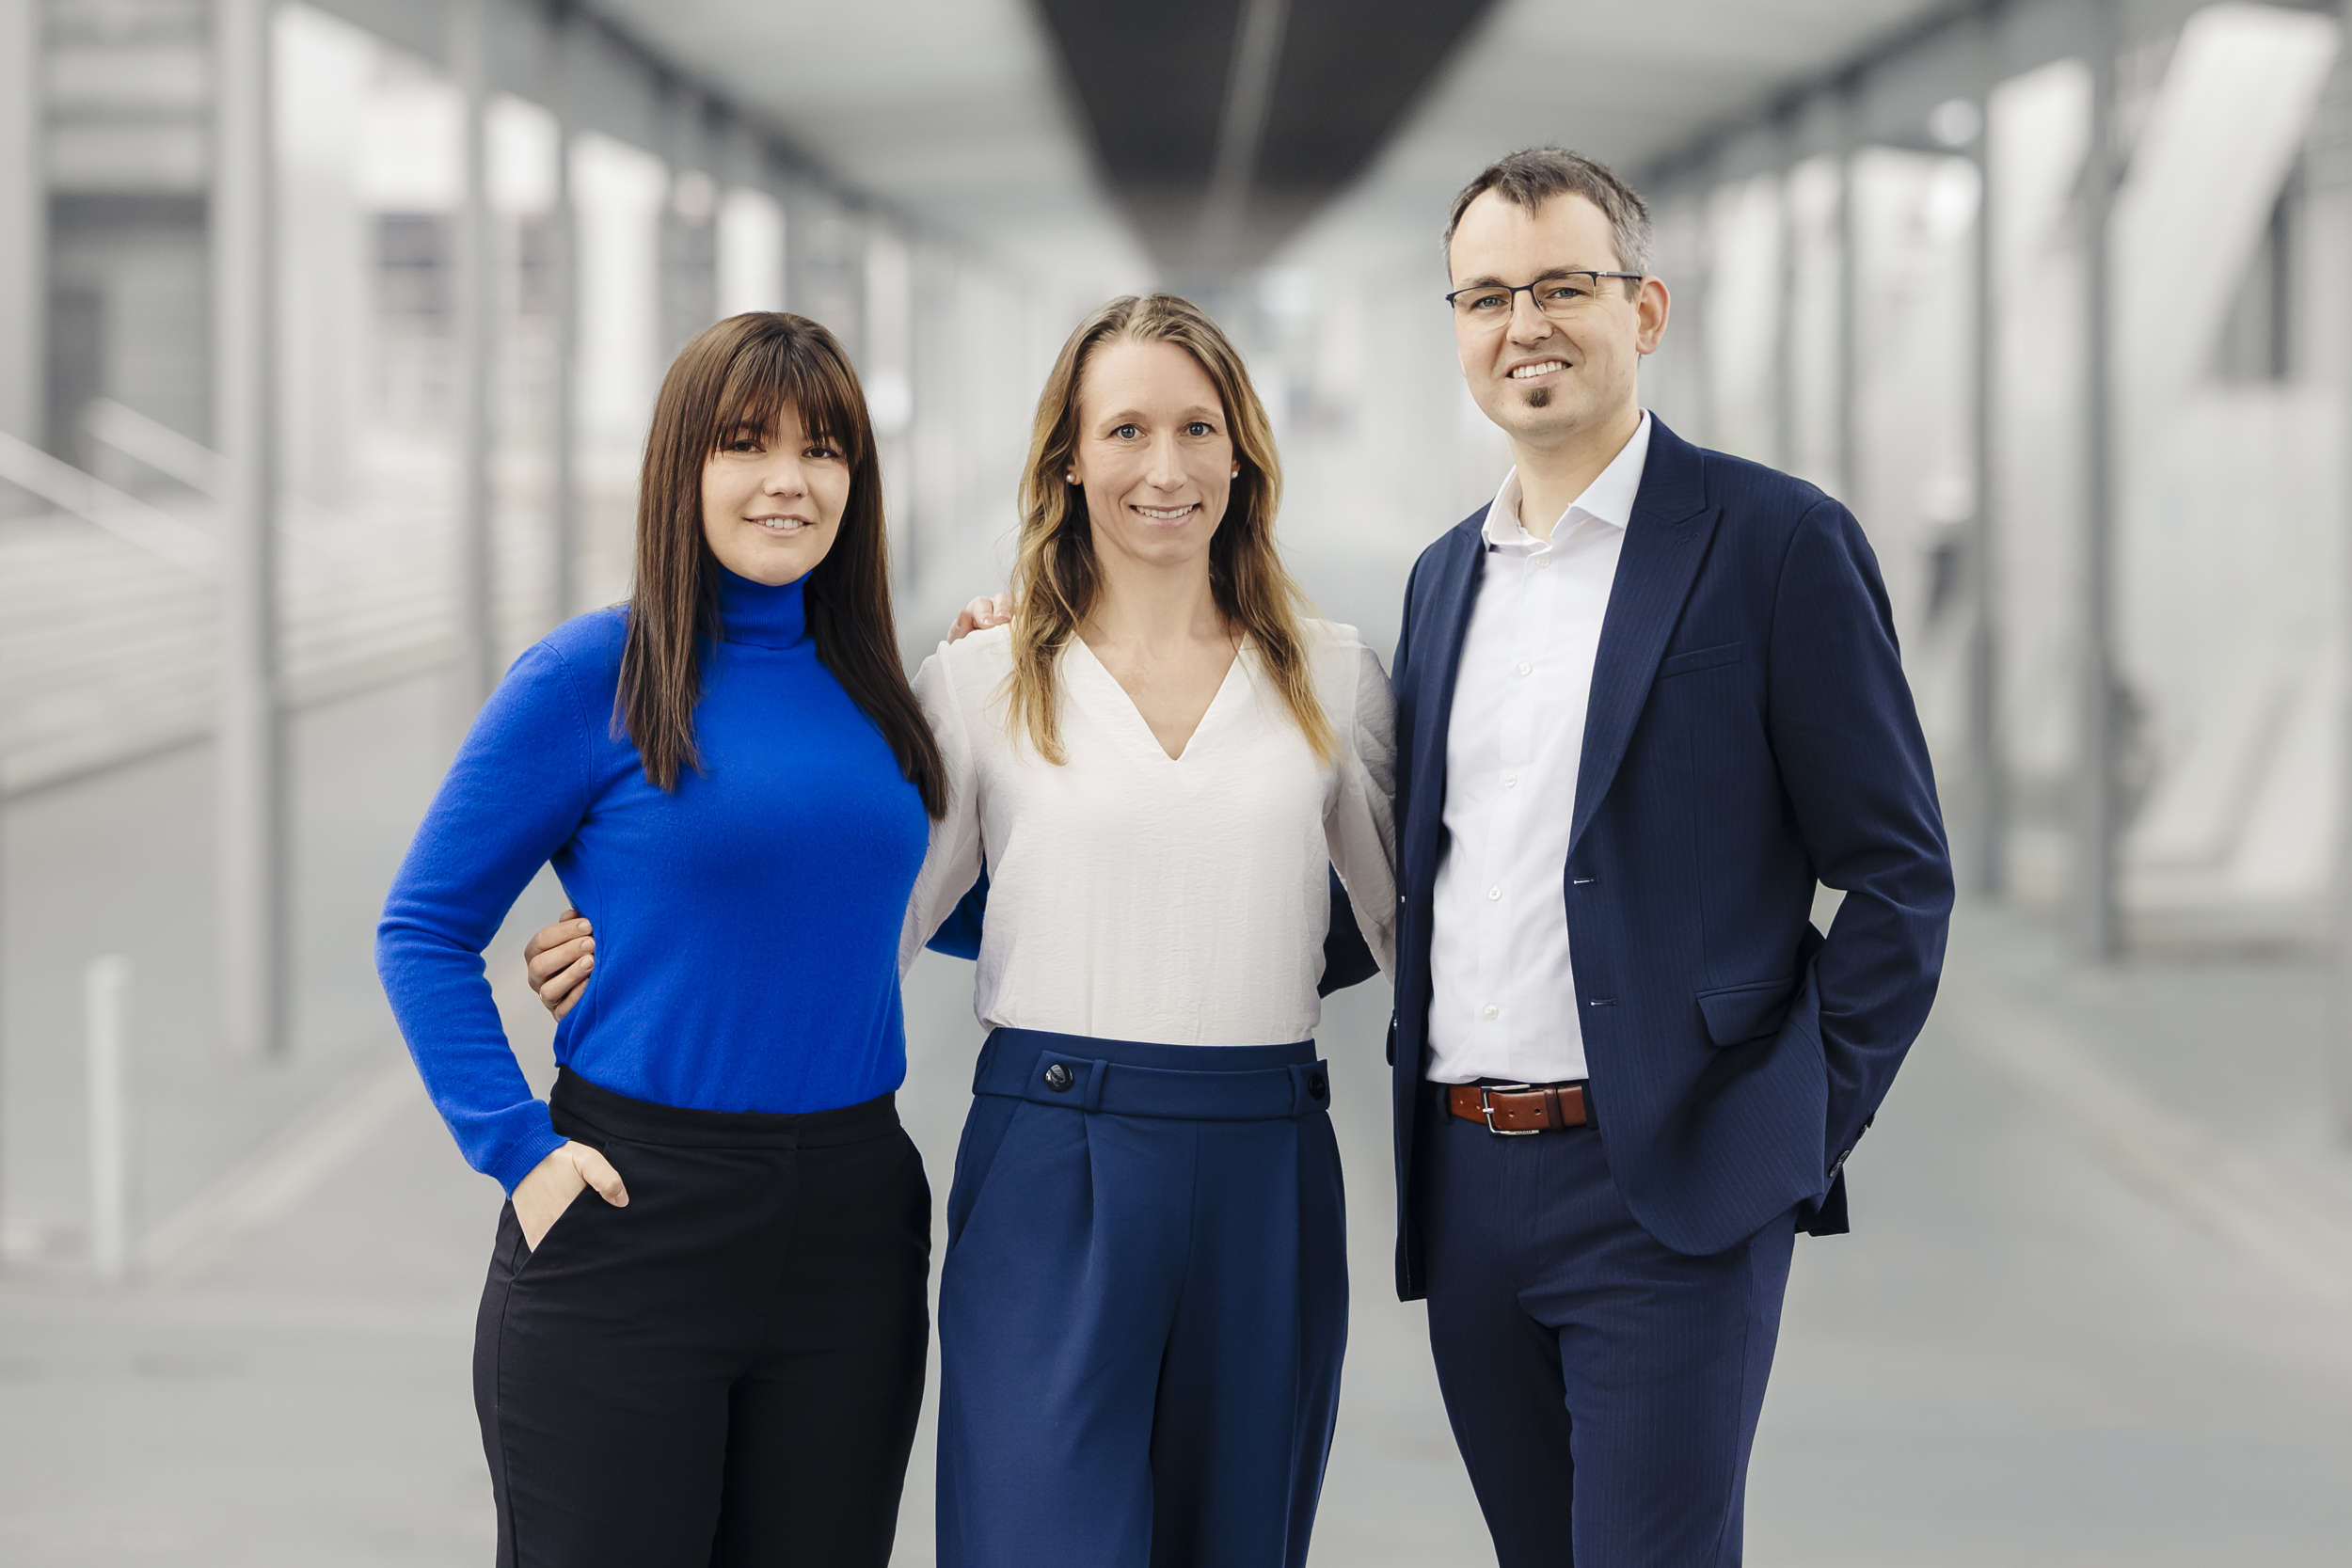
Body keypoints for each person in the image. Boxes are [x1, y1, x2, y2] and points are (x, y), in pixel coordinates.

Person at [531, 293, 1397, 1568]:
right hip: (1054, 1160)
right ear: (1068, 458)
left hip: (1269, 1164)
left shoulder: (1333, 674)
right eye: (1124, 430)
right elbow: (861, 913)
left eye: (1197, 428)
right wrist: (656, 945)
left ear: (1243, 454)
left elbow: (1411, 926)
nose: (1163, 467)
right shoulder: (984, 682)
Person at [1383, 147, 1953, 1565]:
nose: (1527, 325)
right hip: (1466, 1186)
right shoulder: (1444, 578)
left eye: (1565, 286)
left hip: (1670, 1190)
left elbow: (1899, 873)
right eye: (1489, 295)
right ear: (1458, 328)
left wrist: (1793, 1129)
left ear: (1645, 312)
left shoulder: (1774, 544)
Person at [375, 312, 945, 1567]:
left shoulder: (884, 691)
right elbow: (422, 929)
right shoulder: (596, 673)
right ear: (680, 468)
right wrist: (521, 1150)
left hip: (853, 1221)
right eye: (745, 444)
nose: (788, 478)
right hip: (632, 1213)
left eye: (825, 448)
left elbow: (898, 901)